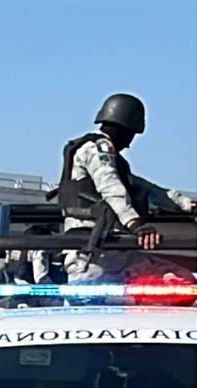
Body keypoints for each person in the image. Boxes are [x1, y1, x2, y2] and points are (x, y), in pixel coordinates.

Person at [58, 93, 196, 278]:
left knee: (181, 279)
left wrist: (186, 204)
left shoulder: (113, 159)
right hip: (92, 253)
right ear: (124, 128)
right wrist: (135, 223)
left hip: (117, 249)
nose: (130, 142)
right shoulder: (98, 148)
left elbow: (145, 188)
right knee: (98, 298)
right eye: (131, 134)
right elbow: (111, 187)